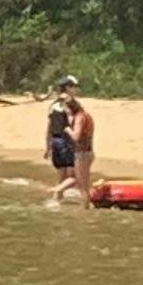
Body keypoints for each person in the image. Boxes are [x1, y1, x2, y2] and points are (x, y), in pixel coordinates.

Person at [44, 75, 96, 204]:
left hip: (55, 141)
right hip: (67, 142)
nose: (76, 89)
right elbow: (79, 123)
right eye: (74, 86)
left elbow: (49, 127)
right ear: (67, 87)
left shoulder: (53, 104)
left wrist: (48, 146)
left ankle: (56, 201)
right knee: (75, 176)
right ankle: (59, 194)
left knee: (61, 175)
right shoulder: (71, 104)